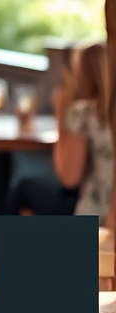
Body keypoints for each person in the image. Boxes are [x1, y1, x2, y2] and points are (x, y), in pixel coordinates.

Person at [49, 42, 112, 224]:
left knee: (23, 186)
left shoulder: (83, 113)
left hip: (94, 219)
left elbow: (68, 178)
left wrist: (61, 115)